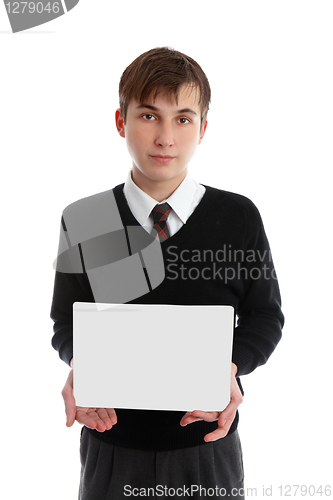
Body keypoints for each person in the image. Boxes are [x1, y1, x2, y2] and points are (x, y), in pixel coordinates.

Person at [51, 47, 284, 499]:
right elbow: (66, 321)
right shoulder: (86, 219)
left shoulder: (237, 217)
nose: (165, 137)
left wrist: (230, 368)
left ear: (203, 128)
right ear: (121, 122)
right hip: (112, 446)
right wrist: (82, 362)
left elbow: (264, 318)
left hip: (205, 446)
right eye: (148, 116)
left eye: (182, 118)